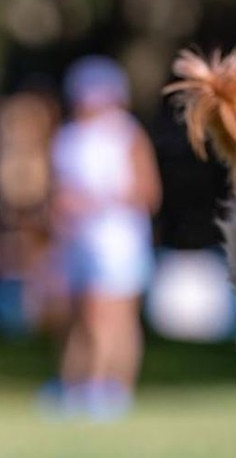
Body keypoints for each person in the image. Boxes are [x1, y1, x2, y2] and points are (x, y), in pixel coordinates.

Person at [39, 55, 161, 420]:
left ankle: (110, 388)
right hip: (77, 241)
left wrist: (97, 200)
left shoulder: (126, 134)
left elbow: (147, 193)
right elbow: (55, 193)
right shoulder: (67, 137)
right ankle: (77, 384)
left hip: (117, 241)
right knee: (78, 315)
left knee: (112, 315)